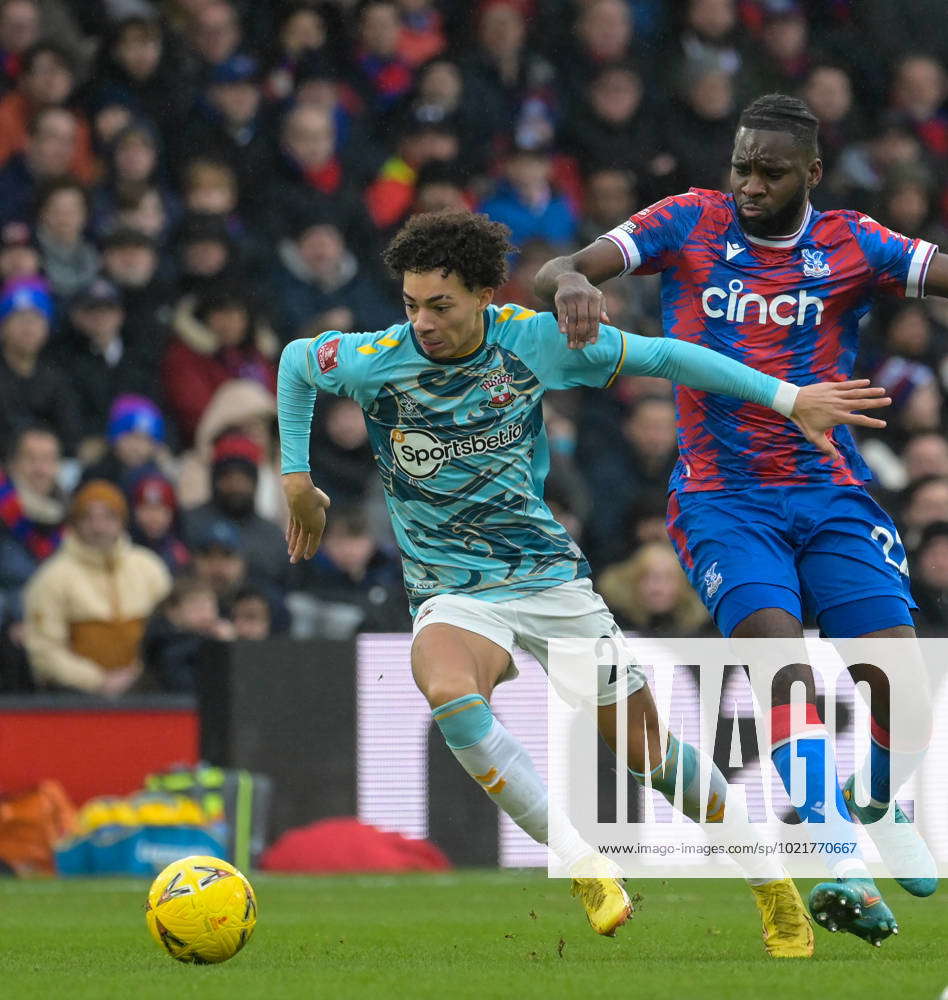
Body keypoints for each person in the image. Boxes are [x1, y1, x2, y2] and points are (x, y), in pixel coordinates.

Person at [278, 210, 889, 954]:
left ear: (482, 296)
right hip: (453, 586)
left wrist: (789, 399)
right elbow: (296, 363)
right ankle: (578, 859)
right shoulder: (378, 358)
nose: (422, 323)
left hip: (549, 580)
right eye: (411, 304)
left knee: (651, 757)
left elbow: (666, 356)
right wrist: (296, 480)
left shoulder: (534, 342)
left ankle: (770, 885)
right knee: (444, 688)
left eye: (440, 306)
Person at [534, 92, 948, 946]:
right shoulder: (689, 222)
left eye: (770, 170)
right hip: (724, 496)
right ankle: (836, 856)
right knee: (774, 652)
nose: (750, 184)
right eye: (741, 166)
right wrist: (573, 282)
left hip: (831, 490)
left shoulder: (853, 242)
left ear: (812, 174)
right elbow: (560, 269)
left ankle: (874, 801)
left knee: (901, 696)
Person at [22, 479, 171, 695]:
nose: (98, 527)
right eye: (88, 518)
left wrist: (136, 674)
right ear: (75, 523)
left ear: (122, 521)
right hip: (75, 699)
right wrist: (97, 681)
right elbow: (44, 651)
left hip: (145, 692)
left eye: (108, 517)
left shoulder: (149, 568)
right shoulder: (52, 578)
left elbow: (169, 634)